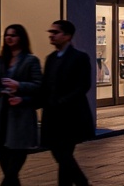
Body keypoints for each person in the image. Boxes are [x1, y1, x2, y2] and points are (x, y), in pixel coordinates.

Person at [0, 24, 41, 185]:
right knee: (6, 165)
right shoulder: (2, 61)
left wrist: (19, 86)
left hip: (21, 116)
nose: (9, 38)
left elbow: (39, 86)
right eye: (7, 35)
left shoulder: (31, 60)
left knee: (12, 169)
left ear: (21, 38)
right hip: (3, 115)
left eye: (13, 35)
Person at [42, 19, 93, 186]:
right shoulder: (50, 58)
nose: (51, 36)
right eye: (51, 32)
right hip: (53, 115)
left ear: (67, 36)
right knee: (62, 154)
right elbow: (46, 85)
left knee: (63, 154)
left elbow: (83, 85)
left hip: (71, 115)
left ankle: (81, 183)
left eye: (55, 32)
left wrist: (63, 101)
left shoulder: (79, 57)